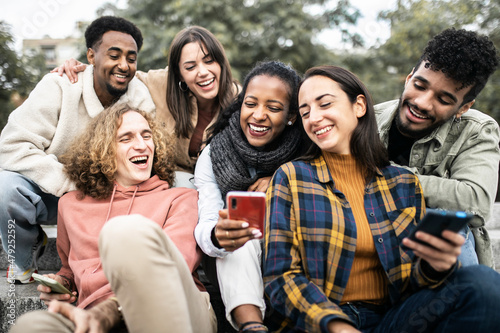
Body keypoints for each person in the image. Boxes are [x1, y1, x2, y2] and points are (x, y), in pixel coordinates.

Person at [263, 65, 500, 333]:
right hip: (321, 323)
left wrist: (434, 267)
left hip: (391, 322)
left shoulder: (403, 183)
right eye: (305, 112)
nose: (314, 118)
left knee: (483, 283)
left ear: (359, 106)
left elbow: (413, 283)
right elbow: (280, 277)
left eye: (325, 104)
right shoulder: (291, 177)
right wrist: (338, 326)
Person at [10, 103, 216, 333]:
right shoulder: (70, 205)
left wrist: (111, 310)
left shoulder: (181, 199)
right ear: (104, 150)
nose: (142, 145)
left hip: (172, 306)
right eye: (126, 138)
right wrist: (62, 284)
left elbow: (173, 266)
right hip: (95, 316)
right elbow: (69, 267)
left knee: (121, 232)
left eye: (146, 135)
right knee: (32, 326)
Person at [0, 16, 155, 284]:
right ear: (91, 56)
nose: (124, 65)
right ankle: (24, 258)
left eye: (131, 58)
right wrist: (73, 183)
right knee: (6, 189)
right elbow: (11, 146)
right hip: (55, 194)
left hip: (113, 196)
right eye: (114, 55)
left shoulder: (138, 95)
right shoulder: (59, 86)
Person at [374, 28, 500, 267]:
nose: (422, 103)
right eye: (420, 85)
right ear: (410, 77)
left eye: (443, 100)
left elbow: (476, 201)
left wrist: (387, 176)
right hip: (373, 239)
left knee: (447, 222)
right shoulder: (366, 119)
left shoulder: (477, 130)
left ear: (464, 107)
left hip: (445, 255)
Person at [194, 60, 304, 332]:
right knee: (240, 229)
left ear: (291, 116)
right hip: (234, 255)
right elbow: (206, 219)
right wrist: (218, 235)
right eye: (251, 103)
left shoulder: (307, 147)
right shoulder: (214, 154)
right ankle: (251, 325)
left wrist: (282, 178)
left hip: (294, 244)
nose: (258, 115)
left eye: (274, 108)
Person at [54, 25, 239, 185]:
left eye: (209, 61)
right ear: (179, 73)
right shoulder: (161, 83)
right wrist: (85, 68)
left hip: (217, 183)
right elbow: (119, 73)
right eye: (190, 67)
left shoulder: (240, 98)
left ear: (221, 62)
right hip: (171, 183)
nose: (203, 72)